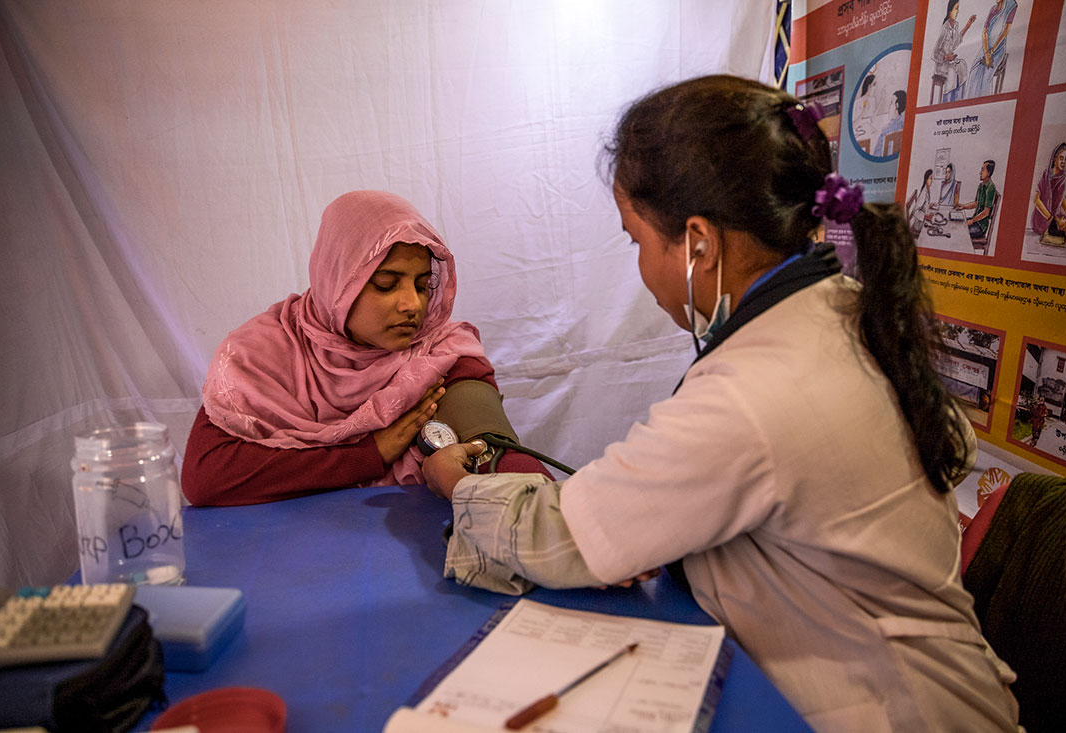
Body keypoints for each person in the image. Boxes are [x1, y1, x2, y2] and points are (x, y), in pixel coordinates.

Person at [422, 75, 1019, 731]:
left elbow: (573, 535)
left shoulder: (760, 387)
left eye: (635, 240)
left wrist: (456, 483)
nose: (641, 267)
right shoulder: (838, 308)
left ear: (699, 243)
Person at [181, 190, 546, 506]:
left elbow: (496, 454)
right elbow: (207, 478)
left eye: (422, 285)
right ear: (338, 282)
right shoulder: (260, 356)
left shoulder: (441, 353)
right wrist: (368, 455)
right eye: (387, 284)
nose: (413, 305)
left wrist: (550, 513)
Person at [966, 0, 1017, 99]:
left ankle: (983, 104)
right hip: (986, 48)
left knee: (986, 75)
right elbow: (985, 32)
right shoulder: (993, 10)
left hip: (998, 49)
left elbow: (1005, 31)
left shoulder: (1011, 6)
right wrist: (986, 53)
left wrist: (992, 51)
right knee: (974, 72)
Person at [1030, 142, 1066, 239]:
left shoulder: (1063, 176)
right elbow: (1036, 200)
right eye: (1061, 158)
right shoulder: (1045, 176)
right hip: (1041, 219)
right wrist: (1051, 219)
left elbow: (1061, 198)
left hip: (1056, 218)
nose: (1063, 161)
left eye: (1065, 159)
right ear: (1054, 159)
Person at [932, 0, 977, 102]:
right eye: (956, 9)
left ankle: (958, 99)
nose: (957, 11)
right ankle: (947, 101)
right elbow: (934, 53)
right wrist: (945, 57)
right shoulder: (944, 28)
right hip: (941, 65)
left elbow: (955, 43)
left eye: (958, 9)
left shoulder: (955, 25)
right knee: (952, 71)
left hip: (950, 61)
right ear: (950, 10)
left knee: (963, 65)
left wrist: (968, 25)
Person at [959, 159, 997, 240]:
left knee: (960, 231)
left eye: (983, 170)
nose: (980, 172)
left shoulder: (990, 188)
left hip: (980, 226)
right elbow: (976, 203)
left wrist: (972, 221)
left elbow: (986, 213)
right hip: (975, 221)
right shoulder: (981, 186)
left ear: (988, 173)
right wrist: (964, 206)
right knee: (958, 224)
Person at [872, 90, 905, 156]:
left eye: (891, 103)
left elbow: (876, 154)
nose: (889, 106)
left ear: (897, 105)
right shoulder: (903, 122)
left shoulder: (886, 130)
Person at [905, 168, 934, 237]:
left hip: (923, 220)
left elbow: (924, 205)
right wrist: (926, 216)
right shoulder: (924, 193)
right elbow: (915, 211)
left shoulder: (927, 189)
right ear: (926, 179)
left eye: (932, 178)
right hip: (919, 224)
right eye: (930, 178)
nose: (931, 181)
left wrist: (929, 205)